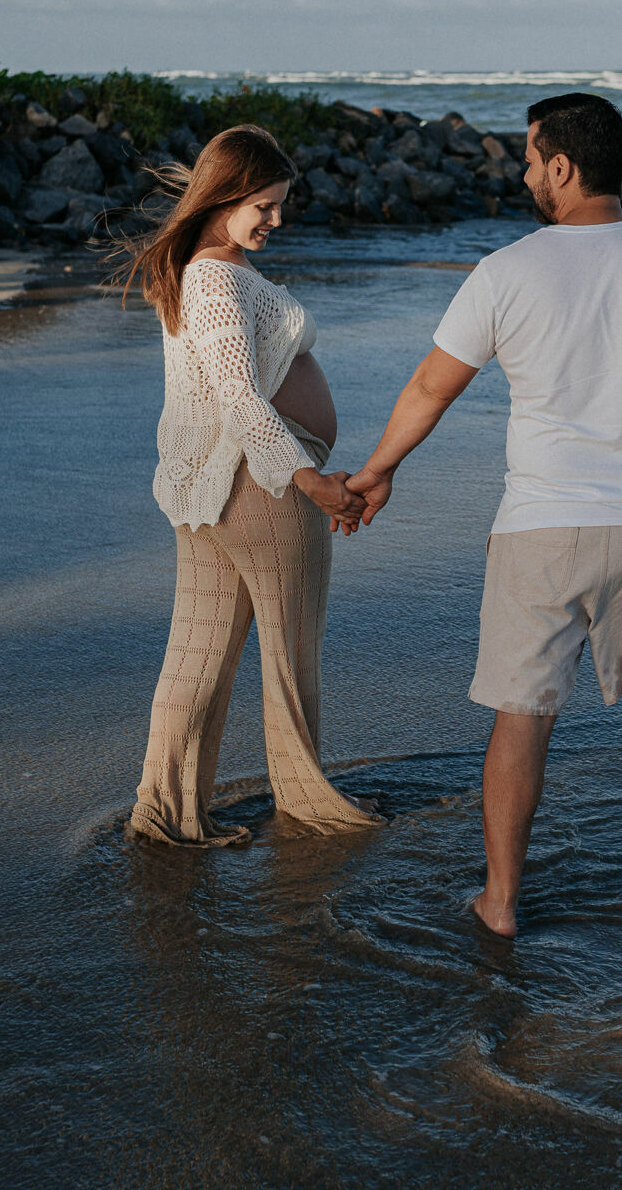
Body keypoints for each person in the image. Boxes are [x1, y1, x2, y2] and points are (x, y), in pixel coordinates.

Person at [346, 93, 622, 935]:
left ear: (563, 168)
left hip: (540, 526)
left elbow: (433, 386)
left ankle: (501, 903)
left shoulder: (506, 269)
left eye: (531, 158)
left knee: (522, 712)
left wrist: (376, 472)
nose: (525, 173)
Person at [117, 124, 377, 845]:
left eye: (279, 206)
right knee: (290, 662)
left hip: (214, 494)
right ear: (225, 195)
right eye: (263, 205)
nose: (274, 220)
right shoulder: (214, 275)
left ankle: (165, 812)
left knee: (197, 657)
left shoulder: (199, 271)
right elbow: (238, 395)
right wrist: (310, 479)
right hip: (262, 491)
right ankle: (308, 810)